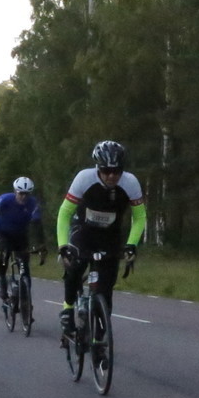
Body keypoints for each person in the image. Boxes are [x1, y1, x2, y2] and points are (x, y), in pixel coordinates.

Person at [57, 140, 145, 337]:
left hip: (110, 236)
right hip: (83, 231)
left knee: (106, 291)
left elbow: (139, 217)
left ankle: (99, 340)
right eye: (106, 171)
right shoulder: (84, 178)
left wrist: (131, 245)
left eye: (117, 171)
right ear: (98, 167)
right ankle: (68, 309)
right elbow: (64, 213)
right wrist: (63, 246)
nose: (112, 176)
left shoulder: (130, 183)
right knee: (74, 267)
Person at [0, 177, 47, 306]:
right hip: (2, 232)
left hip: (20, 234)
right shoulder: (5, 200)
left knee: (24, 263)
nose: (23, 197)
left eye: (26, 194)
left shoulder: (33, 204)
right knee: (5, 253)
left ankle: (26, 297)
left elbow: (37, 225)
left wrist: (41, 245)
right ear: (15, 191)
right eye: (21, 193)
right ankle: (2, 282)